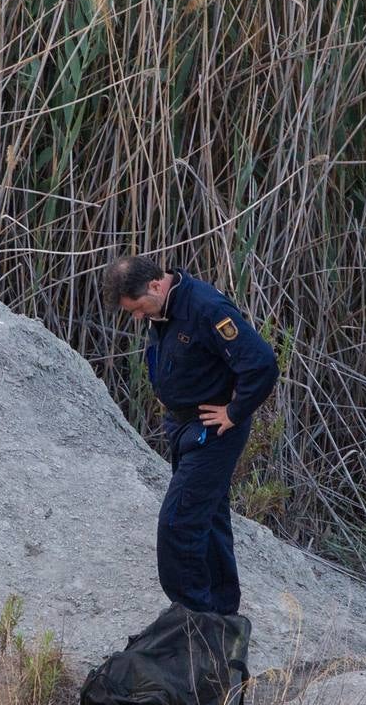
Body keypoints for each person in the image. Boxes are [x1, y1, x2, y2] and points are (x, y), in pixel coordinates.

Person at [103, 256, 279, 615]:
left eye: (137, 309)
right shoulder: (163, 308)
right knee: (210, 521)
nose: (136, 318)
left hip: (212, 432)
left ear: (155, 284)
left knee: (177, 524)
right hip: (183, 426)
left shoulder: (205, 309)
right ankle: (222, 615)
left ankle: (192, 618)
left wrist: (234, 412)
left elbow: (261, 363)